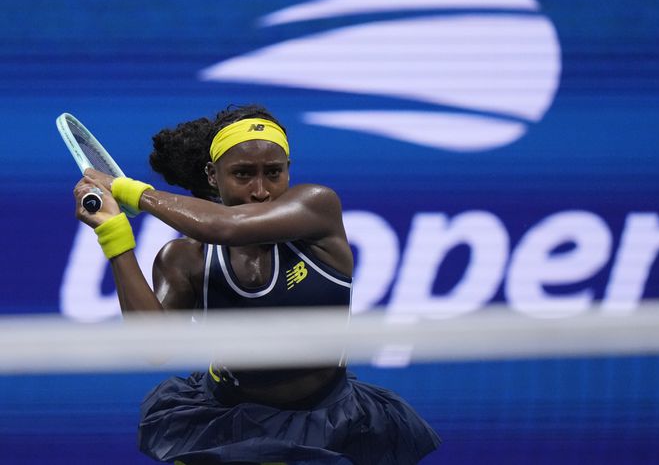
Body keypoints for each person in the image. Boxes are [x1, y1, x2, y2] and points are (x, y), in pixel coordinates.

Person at [72, 104, 441, 465]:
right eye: (244, 175)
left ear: (289, 172)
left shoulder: (317, 209)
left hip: (332, 421)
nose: (261, 190)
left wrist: (130, 190)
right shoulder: (185, 259)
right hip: (228, 423)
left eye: (274, 173)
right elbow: (155, 348)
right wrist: (114, 234)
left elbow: (224, 227)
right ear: (213, 176)